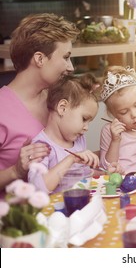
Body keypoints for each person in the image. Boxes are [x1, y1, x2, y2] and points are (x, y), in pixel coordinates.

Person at [0, 13, 80, 193]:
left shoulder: (58, 99)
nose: (71, 67)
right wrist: (15, 171)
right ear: (40, 59)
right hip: (20, 217)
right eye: (66, 57)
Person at [27, 74, 102, 193]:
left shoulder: (79, 140)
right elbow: (38, 188)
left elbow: (83, 175)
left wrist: (105, 172)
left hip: (80, 203)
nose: (86, 128)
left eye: (89, 122)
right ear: (62, 108)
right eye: (84, 119)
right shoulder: (40, 146)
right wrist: (71, 158)